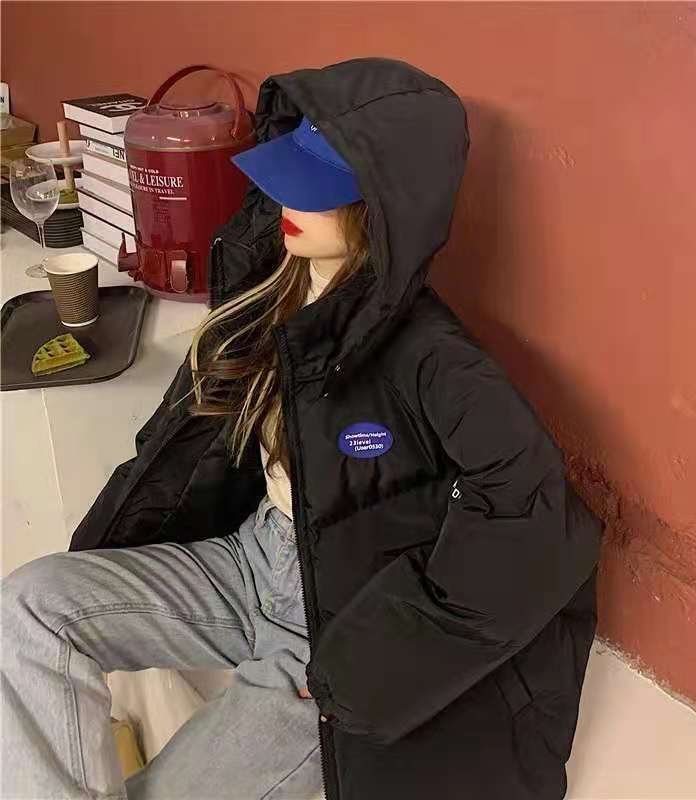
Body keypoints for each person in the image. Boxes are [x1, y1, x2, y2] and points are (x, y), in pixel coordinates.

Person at [1, 57, 604, 800]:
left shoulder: (436, 359)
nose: (287, 200)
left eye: (317, 189)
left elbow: (536, 520)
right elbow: (181, 447)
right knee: (29, 607)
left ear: (380, 209)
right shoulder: (271, 299)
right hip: (249, 561)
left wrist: (363, 669)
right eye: (287, 177)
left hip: (335, 624)